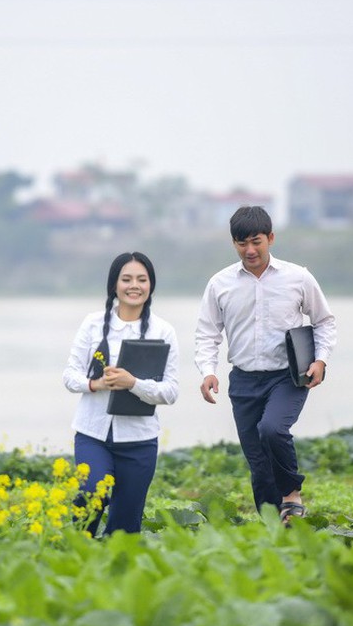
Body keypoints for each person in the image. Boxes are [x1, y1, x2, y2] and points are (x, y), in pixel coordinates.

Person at [194, 206, 337, 524]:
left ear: (270, 238)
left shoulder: (298, 277)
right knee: (258, 462)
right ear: (233, 244)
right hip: (243, 380)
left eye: (256, 241)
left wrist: (321, 360)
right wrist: (208, 371)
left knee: (271, 430)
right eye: (241, 243)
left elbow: (324, 322)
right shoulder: (220, 284)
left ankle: (292, 495)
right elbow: (207, 333)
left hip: (288, 376)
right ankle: (275, 524)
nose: (250, 250)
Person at [62, 251, 180, 536]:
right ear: (114, 285)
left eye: (142, 279)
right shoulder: (92, 323)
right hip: (93, 435)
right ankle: (75, 549)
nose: (134, 286)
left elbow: (171, 392)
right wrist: (96, 384)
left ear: (150, 285)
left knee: (125, 530)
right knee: (93, 494)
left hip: (140, 441)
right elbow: (69, 376)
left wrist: (133, 383)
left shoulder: (164, 330)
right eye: (126, 279)